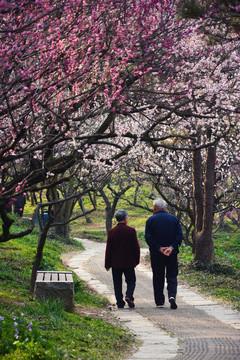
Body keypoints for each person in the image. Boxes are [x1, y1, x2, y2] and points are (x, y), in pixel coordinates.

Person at [145, 198, 183, 309]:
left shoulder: (150, 220)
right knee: (172, 275)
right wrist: (171, 248)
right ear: (165, 208)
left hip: (156, 254)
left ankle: (160, 302)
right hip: (172, 254)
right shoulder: (174, 219)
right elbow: (179, 236)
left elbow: (148, 237)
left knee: (158, 276)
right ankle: (172, 296)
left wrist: (159, 248)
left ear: (154, 208)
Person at [105, 209, 140, 309]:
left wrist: (107, 264)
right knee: (131, 281)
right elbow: (136, 247)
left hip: (115, 262)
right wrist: (136, 260)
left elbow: (109, 249)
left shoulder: (112, 232)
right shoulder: (131, 230)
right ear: (125, 218)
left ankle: (120, 302)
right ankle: (129, 296)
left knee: (117, 282)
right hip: (129, 262)